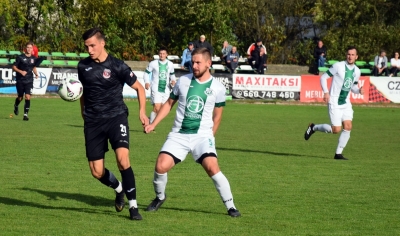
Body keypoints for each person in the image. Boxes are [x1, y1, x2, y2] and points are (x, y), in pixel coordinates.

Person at [144, 48, 241, 217]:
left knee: (212, 167)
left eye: (198, 63)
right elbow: (168, 104)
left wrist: (211, 135)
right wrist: (153, 124)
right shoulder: (182, 81)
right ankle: (160, 197)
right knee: (160, 166)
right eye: (192, 62)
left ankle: (231, 206)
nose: (194, 66)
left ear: (208, 64)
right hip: (179, 134)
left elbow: (217, 116)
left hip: (202, 136)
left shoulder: (217, 88)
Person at [77, 27, 148, 220]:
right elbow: (83, 90)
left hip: (116, 117)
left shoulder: (117, 66)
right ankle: (119, 189)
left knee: (123, 160)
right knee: (96, 171)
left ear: (102, 43)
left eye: (92, 45)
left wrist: (142, 112)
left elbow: (140, 88)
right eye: (87, 46)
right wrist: (83, 112)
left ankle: (133, 207)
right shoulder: (83, 66)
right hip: (93, 121)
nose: (89, 50)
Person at [304, 46, 364, 160]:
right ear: (346, 55)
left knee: (348, 126)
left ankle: (338, 154)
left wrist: (359, 90)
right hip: (334, 101)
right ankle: (313, 127)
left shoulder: (357, 71)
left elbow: (353, 87)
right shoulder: (338, 66)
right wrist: (326, 92)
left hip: (346, 102)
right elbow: (323, 78)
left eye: (352, 55)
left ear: (356, 57)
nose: (350, 56)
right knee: (336, 129)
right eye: (348, 54)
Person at [144, 47, 176, 124]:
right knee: (157, 107)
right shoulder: (153, 63)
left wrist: (173, 81)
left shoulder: (170, 64)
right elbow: (146, 73)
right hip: (156, 88)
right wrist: (147, 82)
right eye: (160, 54)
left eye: (163, 54)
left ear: (166, 55)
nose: (162, 55)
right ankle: (151, 125)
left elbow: (172, 75)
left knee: (162, 109)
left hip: (166, 89)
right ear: (158, 54)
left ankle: (149, 120)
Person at [12, 41, 39, 121]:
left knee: (27, 97)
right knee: (20, 97)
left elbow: (33, 67)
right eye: (28, 47)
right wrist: (21, 72)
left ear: (32, 49)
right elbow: (14, 67)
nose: (29, 49)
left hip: (29, 80)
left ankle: (25, 115)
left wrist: (36, 74)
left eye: (31, 48)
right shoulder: (20, 57)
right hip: (20, 80)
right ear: (25, 49)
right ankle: (16, 105)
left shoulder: (34, 58)